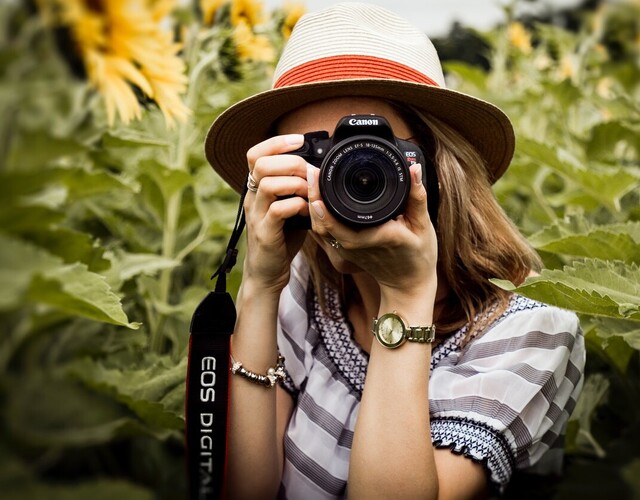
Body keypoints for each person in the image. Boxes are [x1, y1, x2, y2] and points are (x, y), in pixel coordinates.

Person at [204, 3, 585, 498]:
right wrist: (259, 284)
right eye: (317, 155)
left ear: (438, 166)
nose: (345, 178)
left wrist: (405, 293)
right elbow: (243, 491)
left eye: (370, 151)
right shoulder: (305, 285)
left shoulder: (535, 332)